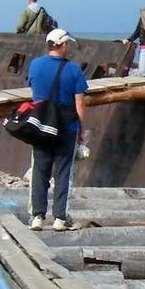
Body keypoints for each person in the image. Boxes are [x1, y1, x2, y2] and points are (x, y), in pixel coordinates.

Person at [27, 28, 88, 231]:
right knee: (63, 174)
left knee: (40, 172)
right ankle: (59, 218)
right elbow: (79, 105)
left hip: (41, 126)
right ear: (62, 45)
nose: (68, 47)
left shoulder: (35, 65)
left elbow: (34, 93)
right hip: (66, 128)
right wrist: (81, 132)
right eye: (66, 44)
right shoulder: (74, 70)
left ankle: (37, 217)